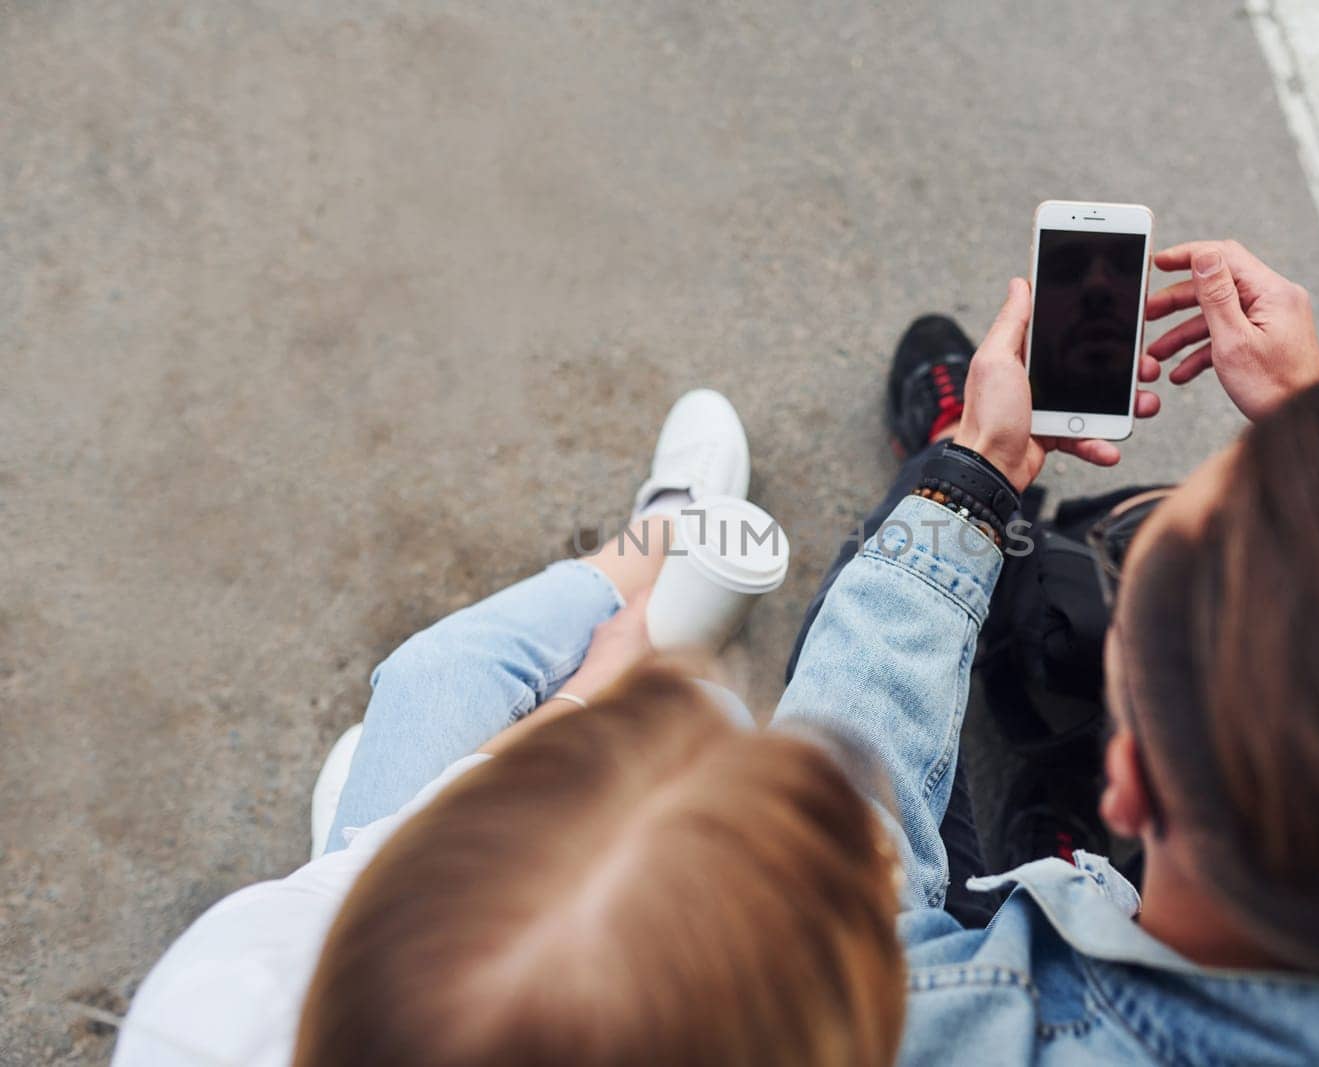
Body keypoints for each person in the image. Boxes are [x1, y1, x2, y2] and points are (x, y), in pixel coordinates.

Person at [775, 239, 1319, 1063]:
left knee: (880, 603)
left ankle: (950, 447)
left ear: (1126, 786)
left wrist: (973, 477)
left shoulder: (931, 1022)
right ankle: (1057, 831)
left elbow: (828, 809)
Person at [110, 389, 907, 1067]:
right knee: (705, 722)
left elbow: (412, 837)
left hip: (346, 911)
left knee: (434, 676)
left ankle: (660, 540)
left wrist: (598, 685)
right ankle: (662, 597)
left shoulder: (203, 1015)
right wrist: (613, 684)